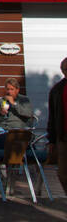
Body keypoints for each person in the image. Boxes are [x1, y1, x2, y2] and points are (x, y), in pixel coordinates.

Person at [46, 56, 67, 197]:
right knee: (63, 174)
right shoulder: (57, 90)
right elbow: (52, 116)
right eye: (65, 69)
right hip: (63, 137)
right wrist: (52, 140)